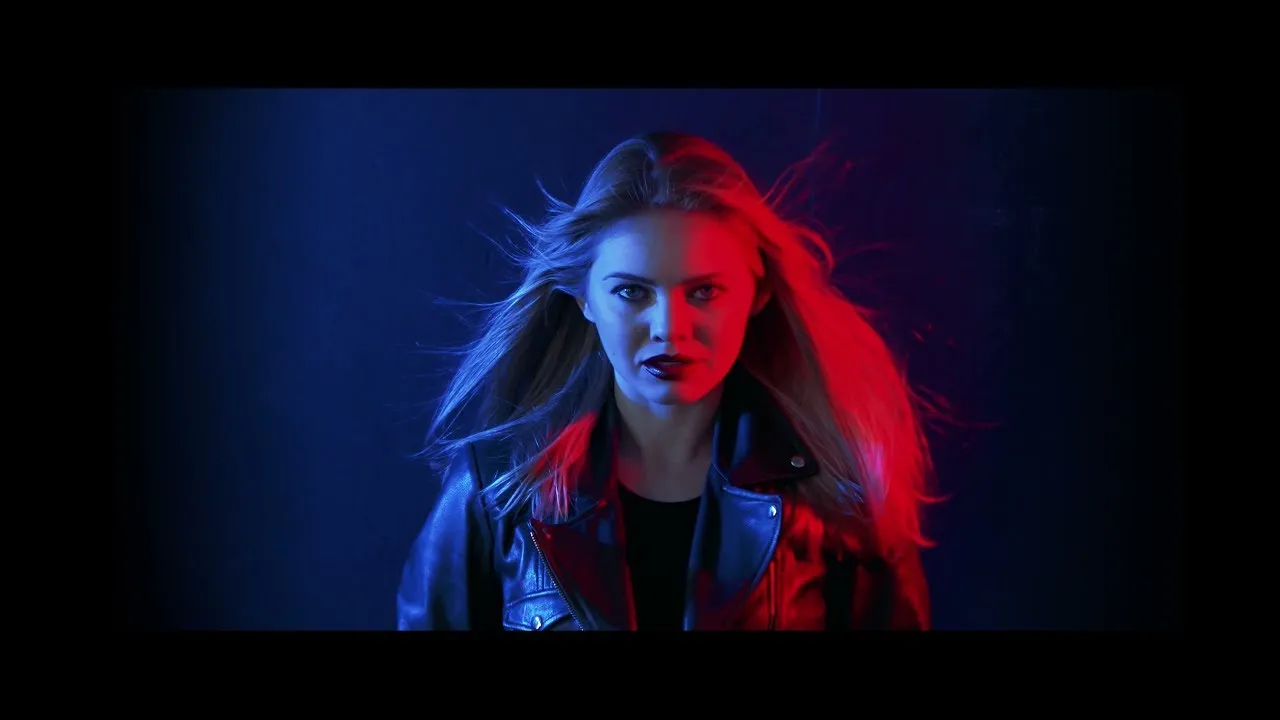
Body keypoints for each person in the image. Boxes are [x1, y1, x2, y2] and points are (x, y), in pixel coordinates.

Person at [397, 131, 936, 631]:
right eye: (632, 292)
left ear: (758, 294)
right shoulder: (497, 487)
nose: (669, 328)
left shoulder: (837, 497)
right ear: (584, 297)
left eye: (705, 291)